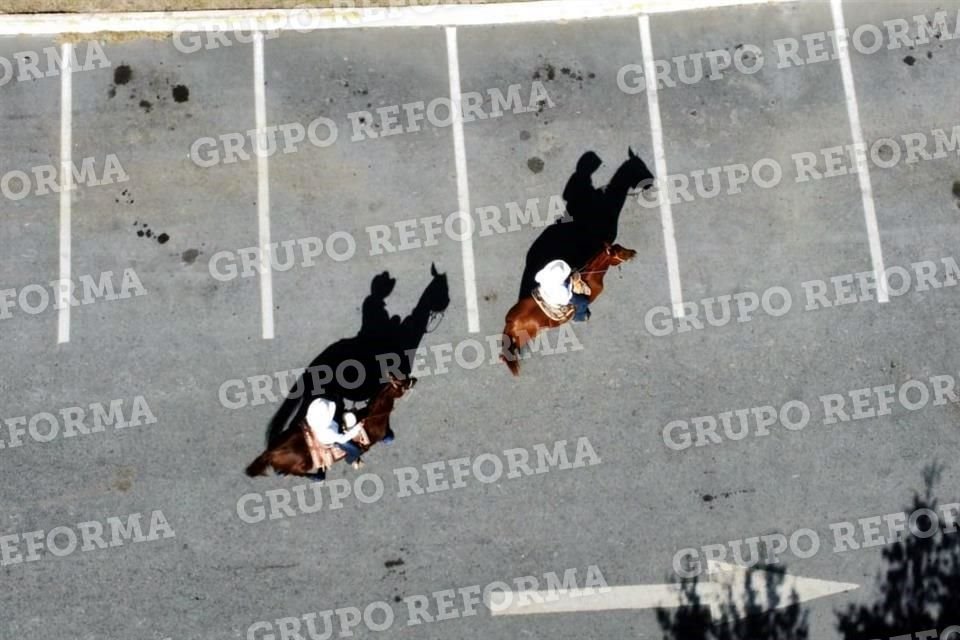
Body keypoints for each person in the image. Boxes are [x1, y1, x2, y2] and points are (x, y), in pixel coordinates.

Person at [305, 397, 365, 470]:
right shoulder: (329, 433)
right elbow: (343, 439)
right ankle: (350, 460)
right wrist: (358, 427)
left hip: (330, 421)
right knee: (356, 450)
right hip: (334, 437)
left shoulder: (314, 412)